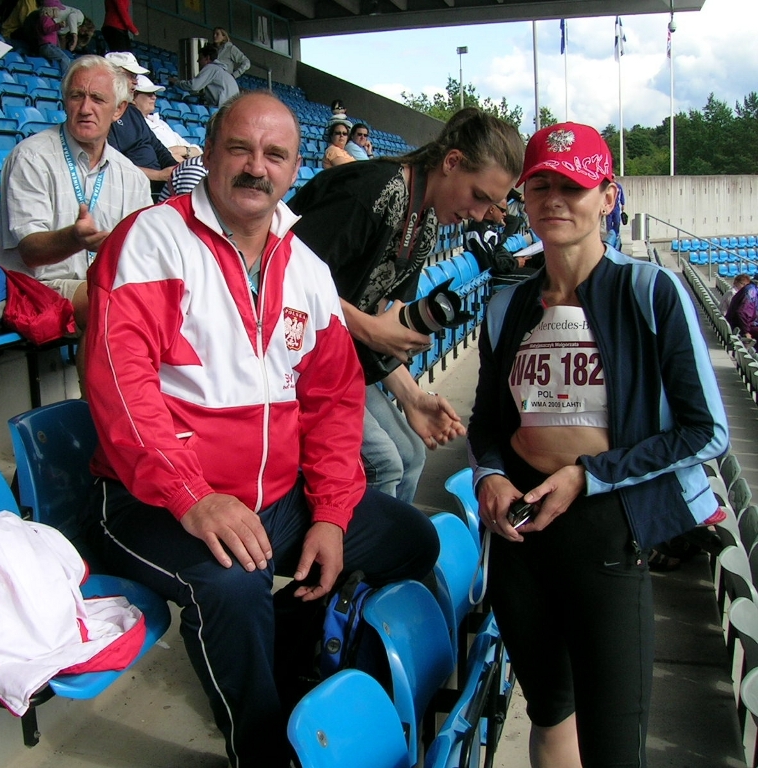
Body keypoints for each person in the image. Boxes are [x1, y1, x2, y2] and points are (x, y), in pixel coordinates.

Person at [82, 91, 440, 768]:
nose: (255, 167)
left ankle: (278, 657)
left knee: (407, 539)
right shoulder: (150, 242)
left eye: (274, 154)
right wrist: (193, 495)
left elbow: (334, 403)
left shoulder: (306, 267)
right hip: (148, 500)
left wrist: (332, 515)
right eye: (239, 149)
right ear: (210, 153)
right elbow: (121, 390)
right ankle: (260, 746)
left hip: (272, 501)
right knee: (235, 586)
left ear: (295, 166)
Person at [467, 122, 728, 768]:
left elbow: (706, 430)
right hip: (521, 543)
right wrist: (489, 478)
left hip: (606, 536)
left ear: (608, 195)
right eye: (541, 186)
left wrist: (591, 476)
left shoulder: (649, 292)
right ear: (524, 199)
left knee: (615, 743)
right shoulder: (506, 307)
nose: (555, 200)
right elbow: (486, 425)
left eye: (574, 187)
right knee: (550, 711)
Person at [290, 108, 522, 504]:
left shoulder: (426, 223)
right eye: (479, 196)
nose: (480, 215)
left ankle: (383, 562)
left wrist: (413, 397)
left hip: (335, 360)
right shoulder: (373, 189)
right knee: (383, 463)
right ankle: (348, 560)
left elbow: (381, 327)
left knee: (412, 455)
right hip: (289, 357)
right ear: (451, 162)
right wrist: (367, 327)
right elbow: (282, 275)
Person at [0, 55, 151, 332]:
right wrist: (75, 239)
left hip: (100, 285)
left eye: (97, 99)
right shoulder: (31, 157)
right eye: (77, 96)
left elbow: (143, 253)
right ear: (65, 101)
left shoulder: (132, 177)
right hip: (31, 287)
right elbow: (31, 253)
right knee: (115, 302)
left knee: (164, 296)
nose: (86, 108)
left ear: (119, 109)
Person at [104, 53, 178, 193]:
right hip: (135, 188)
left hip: (158, 184)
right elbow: (113, 165)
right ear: (112, 76)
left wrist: (177, 169)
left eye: (136, 77)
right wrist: (159, 175)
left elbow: (158, 148)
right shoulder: (103, 115)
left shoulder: (133, 112)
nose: (135, 82)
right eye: (131, 76)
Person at [132, 74, 202, 162]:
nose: (154, 97)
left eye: (154, 93)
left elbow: (198, 151)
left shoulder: (160, 123)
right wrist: (185, 153)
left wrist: (181, 150)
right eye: (148, 94)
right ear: (133, 97)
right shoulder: (134, 126)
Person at [175, 43, 238, 108]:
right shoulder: (224, 73)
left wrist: (176, 82)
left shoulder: (211, 68)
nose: (198, 61)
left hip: (223, 109)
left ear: (207, 58)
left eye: (200, 58)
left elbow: (194, 86)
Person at [727, 273, 758, 338]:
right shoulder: (751, 291)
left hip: (742, 325)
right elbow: (742, 312)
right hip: (739, 327)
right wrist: (746, 332)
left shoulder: (750, 288)